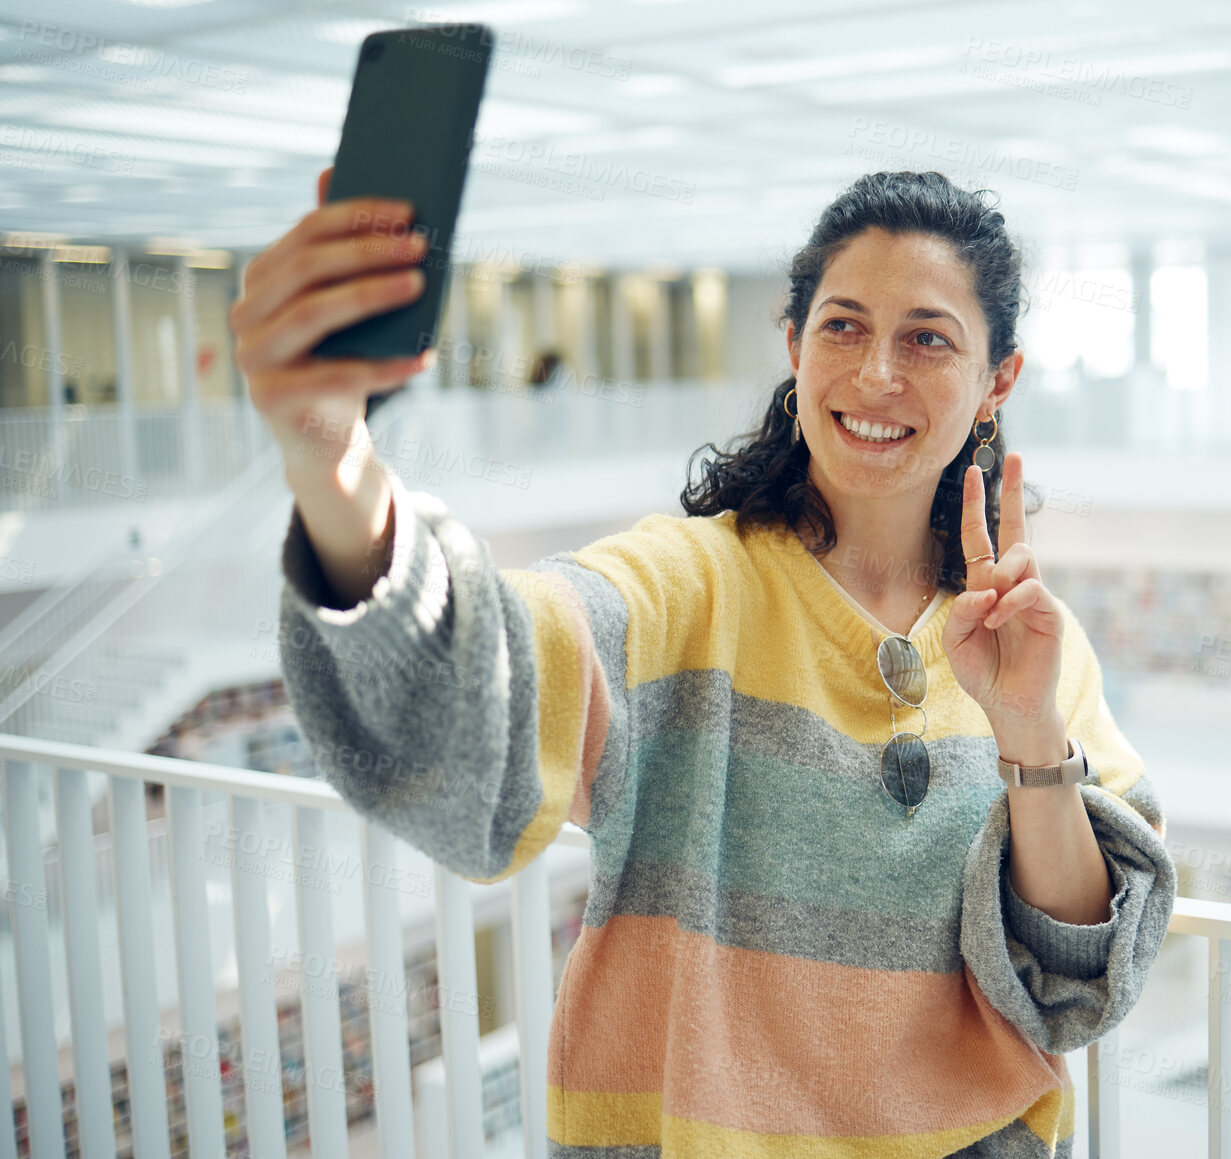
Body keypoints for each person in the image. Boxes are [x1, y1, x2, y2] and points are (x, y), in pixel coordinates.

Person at [230, 167, 1174, 1159]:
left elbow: (1077, 971)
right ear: (792, 348)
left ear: (996, 382)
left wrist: (1026, 729)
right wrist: (331, 462)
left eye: (927, 338)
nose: (876, 374)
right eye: (841, 326)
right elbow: (497, 656)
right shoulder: (691, 584)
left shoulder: (1031, 639)